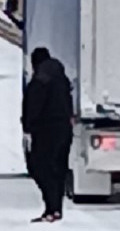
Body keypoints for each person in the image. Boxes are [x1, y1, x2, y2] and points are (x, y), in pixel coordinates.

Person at [22, 47, 74, 223]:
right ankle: (56, 208)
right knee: (58, 169)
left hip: (45, 131)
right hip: (64, 130)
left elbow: (33, 108)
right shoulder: (62, 79)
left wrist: (28, 128)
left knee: (40, 168)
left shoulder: (40, 81)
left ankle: (50, 208)